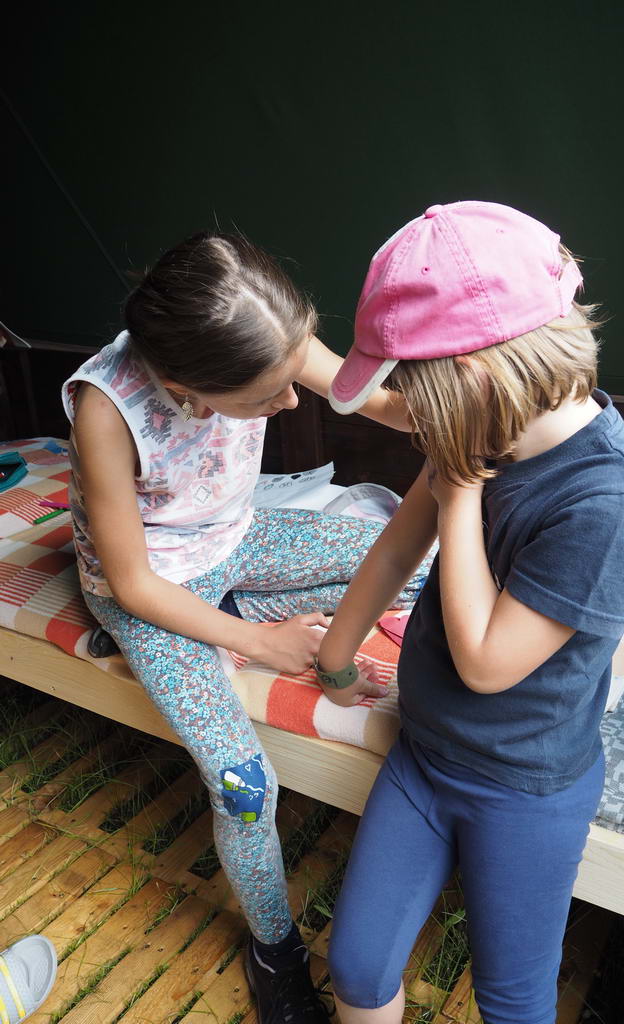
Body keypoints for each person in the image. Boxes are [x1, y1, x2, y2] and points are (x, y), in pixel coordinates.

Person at [314, 202, 624, 1024]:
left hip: (523, 789)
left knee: (511, 999)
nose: (411, 419)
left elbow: (483, 664)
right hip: (423, 754)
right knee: (357, 967)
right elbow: (395, 550)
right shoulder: (481, 432)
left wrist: (461, 498)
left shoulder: (611, 504)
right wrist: (335, 655)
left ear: (473, 381)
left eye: (415, 399)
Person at [61, 231, 429, 1023]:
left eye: (288, 378)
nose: (290, 402)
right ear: (183, 388)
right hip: (151, 586)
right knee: (242, 783)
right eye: (265, 398)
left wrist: (475, 419)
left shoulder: (260, 328)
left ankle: (226, 612)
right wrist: (262, 644)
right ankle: (274, 950)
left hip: (236, 539)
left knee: (412, 555)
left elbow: (380, 403)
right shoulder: (106, 410)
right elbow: (132, 581)